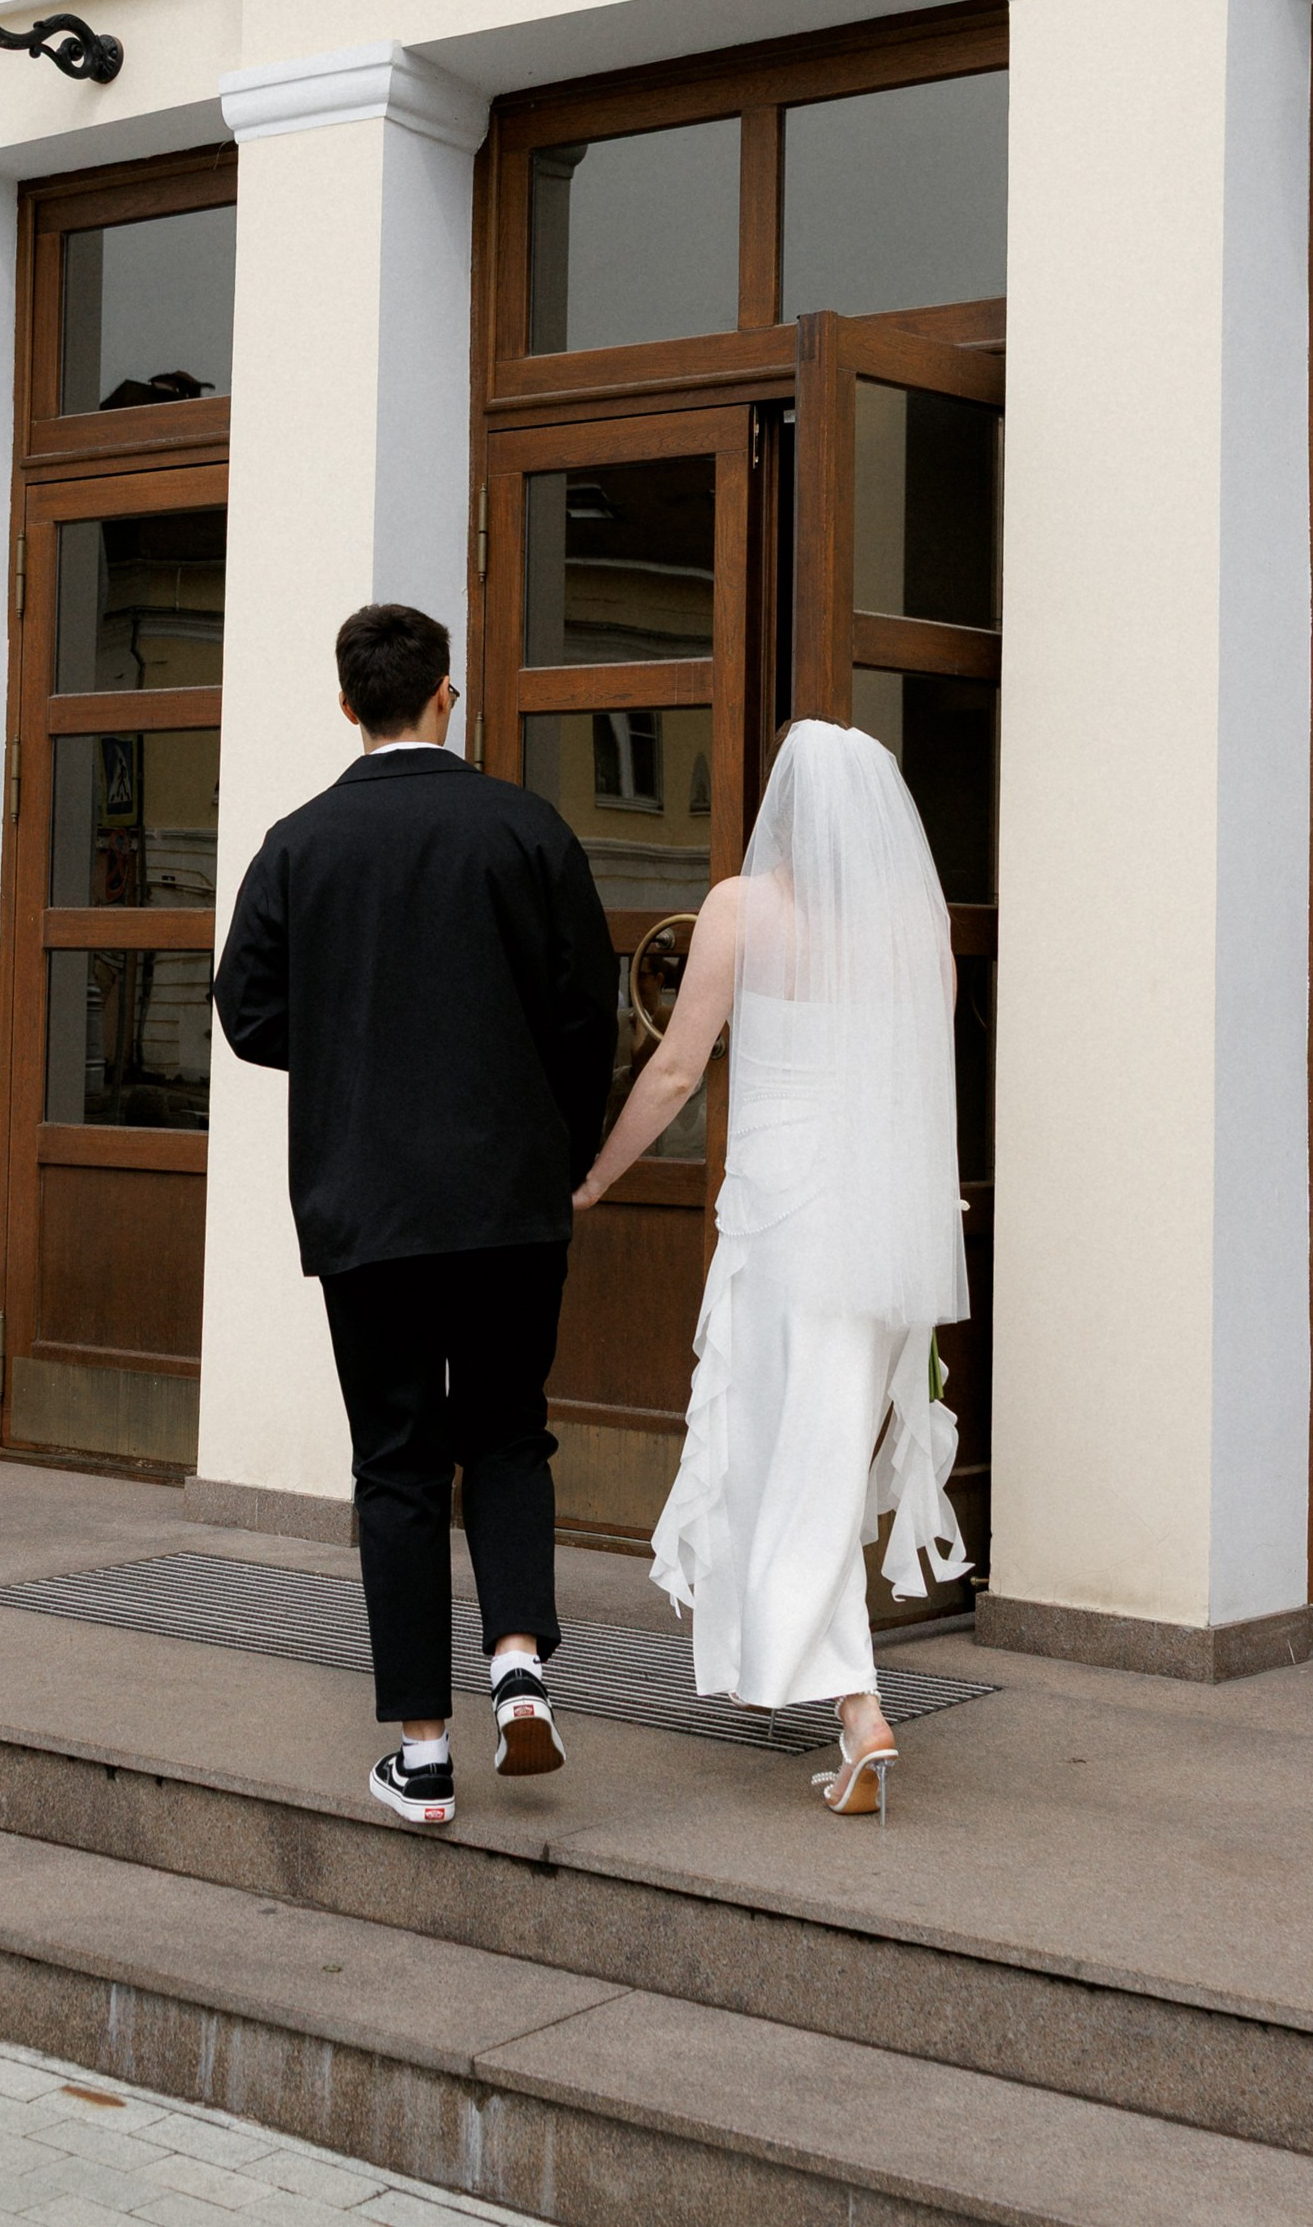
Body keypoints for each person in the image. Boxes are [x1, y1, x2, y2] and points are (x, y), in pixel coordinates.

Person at [213, 602, 618, 1831]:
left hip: (366, 1200)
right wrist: (559, 1145)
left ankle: (423, 1754)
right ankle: (516, 1665)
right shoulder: (524, 827)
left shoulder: (299, 842)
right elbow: (583, 1009)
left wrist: (352, 1050)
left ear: (349, 704)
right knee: (506, 1433)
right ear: (447, 691)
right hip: (508, 1196)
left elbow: (245, 1012)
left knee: (395, 1461)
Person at [571, 717, 969, 1820]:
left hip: (786, 1225)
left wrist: (597, 1173)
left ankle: (852, 1702)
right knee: (823, 1459)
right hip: (884, 1219)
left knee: (792, 1456)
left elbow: (672, 1071)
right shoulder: (912, 921)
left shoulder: (743, 910)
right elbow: (920, 1070)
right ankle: (830, 1688)